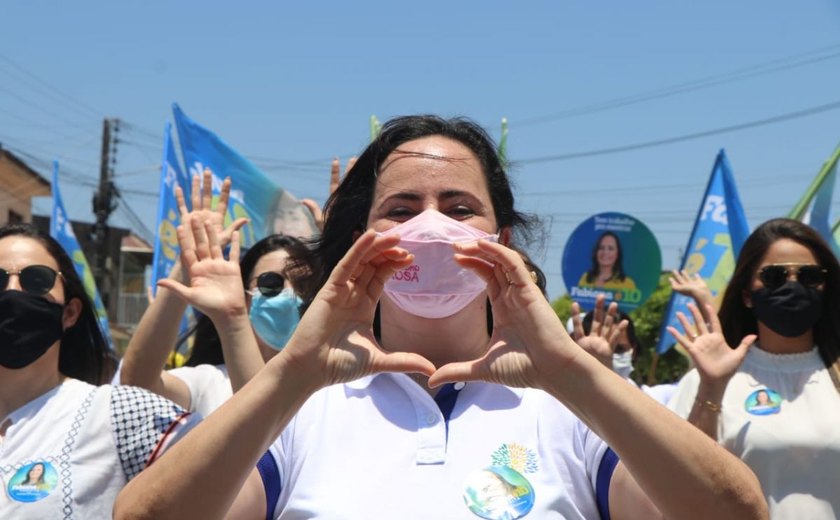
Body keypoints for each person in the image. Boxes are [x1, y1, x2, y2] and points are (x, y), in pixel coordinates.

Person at [114, 115, 766, 520]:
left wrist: (571, 371)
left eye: (459, 208)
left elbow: (736, 512)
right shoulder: (303, 408)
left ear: (502, 238)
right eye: (401, 209)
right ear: (362, 238)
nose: (430, 226)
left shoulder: (572, 408)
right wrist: (290, 377)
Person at [0, 223, 199, 518]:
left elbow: (240, 485)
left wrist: (231, 319)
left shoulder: (116, 412)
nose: (13, 291)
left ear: (70, 313)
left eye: (37, 280)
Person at [667, 218, 840, 518]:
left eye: (809, 276)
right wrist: (712, 388)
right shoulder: (706, 381)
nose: (793, 285)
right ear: (747, 294)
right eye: (774, 276)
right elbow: (678, 483)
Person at [120, 172, 321, 416]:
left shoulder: (334, 383)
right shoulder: (210, 382)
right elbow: (138, 382)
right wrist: (186, 267)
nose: (289, 294)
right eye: (271, 284)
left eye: (304, 285)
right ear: (244, 297)